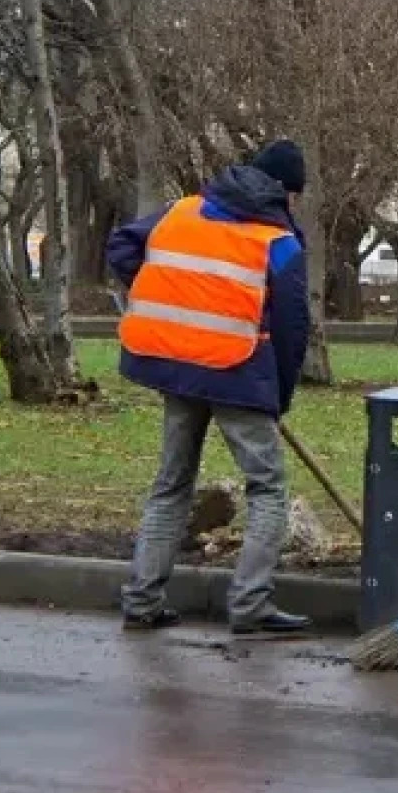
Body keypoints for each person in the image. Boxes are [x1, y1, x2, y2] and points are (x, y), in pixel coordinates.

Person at [106, 139, 313, 636]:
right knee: (267, 489)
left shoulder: (181, 211)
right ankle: (250, 603)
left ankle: (142, 599)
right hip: (236, 369)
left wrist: (171, 294)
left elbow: (120, 246)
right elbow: (290, 330)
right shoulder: (277, 242)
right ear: (285, 192)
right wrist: (278, 396)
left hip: (174, 365)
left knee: (171, 482)